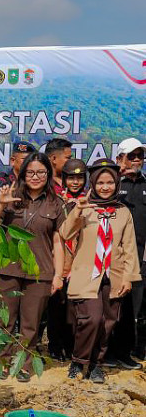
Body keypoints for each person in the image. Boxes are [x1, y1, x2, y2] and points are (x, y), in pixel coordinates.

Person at [60, 159, 140, 383]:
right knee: (91, 319)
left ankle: (96, 364)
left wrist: (128, 277)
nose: (106, 187)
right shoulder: (85, 207)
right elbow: (65, 233)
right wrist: (77, 210)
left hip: (113, 275)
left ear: (116, 184)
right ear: (93, 184)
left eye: (110, 183)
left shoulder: (123, 211)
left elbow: (129, 246)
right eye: (101, 183)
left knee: (108, 323)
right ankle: (79, 361)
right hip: (87, 274)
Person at [0, 152, 65, 382]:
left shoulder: (56, 203)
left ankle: (22, 365)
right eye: (30, 172)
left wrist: (58, 275)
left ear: (48, 174)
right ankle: (2, 362)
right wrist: (1, 205)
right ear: (23, 174)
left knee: (30, 324)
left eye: (41, 172)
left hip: (39, 272)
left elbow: (58, 242)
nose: (35, 177)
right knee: (3, 319)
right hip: (7, 268)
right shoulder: (11, 196)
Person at [107, 137, 146, 367]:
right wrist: (117, 175)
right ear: (119, 158)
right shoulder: (110, 184)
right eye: (131, 155)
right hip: (111, 256)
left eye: (140, 155)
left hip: (139, 256)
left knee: (134, 306)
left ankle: (125, 353)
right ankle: (107, 352)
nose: (137, 160)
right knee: (112, 305)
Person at [46, 158, 87, 361]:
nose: (75, 182)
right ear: (64, 179)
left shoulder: (90, 201)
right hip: (59, 259)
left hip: (80, 261)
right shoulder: (55, 200)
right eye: (71, 178)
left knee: (74, 310)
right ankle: (54, 346)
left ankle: (72, 347)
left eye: (80, 178)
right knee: (56, 307)